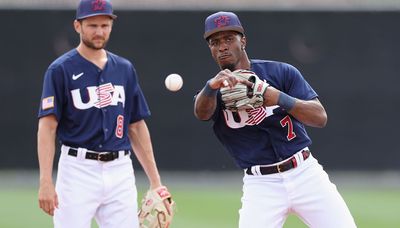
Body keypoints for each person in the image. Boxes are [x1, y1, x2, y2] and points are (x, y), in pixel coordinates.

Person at [194, 11, 357, 228]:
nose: (222, 46)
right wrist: (209, 87)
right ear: (210, 49)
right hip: (261, 184)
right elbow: (201, 113)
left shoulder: (280, 72)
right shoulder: (214, 92)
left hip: (305, 174)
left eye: (229, 39)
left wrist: (276, 96)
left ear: (243, 41)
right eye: (215, 42)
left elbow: (319, 117)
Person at [37, 0, 171, 227]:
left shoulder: (124, 69)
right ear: (77, 26)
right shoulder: (60, 70)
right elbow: (47, 127)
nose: (99, 31)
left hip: (120, 171)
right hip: (77, 171)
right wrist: (45, 181)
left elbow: (136, 126)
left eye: (105, 25)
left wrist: (156, 183)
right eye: (92, 25)